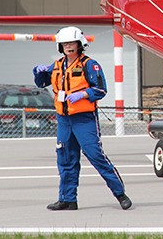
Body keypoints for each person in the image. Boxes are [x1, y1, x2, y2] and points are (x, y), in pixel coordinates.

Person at [33, 26, 132, 211]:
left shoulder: (89, 64)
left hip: (84, 119)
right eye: (65, 44)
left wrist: (83, 94)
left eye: (72, 43)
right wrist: (38, 72)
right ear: (60, 46)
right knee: (65, 159)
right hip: (64, 120)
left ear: (80, 44)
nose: (69, 46)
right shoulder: (56, 65)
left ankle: (120, 194)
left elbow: (101, 89)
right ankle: (68, 199)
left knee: (96, 156)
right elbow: (41, 83)